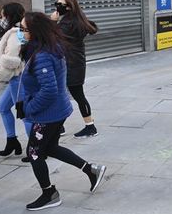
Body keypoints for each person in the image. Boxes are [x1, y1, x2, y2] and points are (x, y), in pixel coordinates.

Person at [17, 12, 106, 210]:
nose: (20, 32)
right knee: (49, 148)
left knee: (34, 153)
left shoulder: (42, 56)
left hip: (48, 114)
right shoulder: (48, 48)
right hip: (57, 110)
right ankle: (91, 170)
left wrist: (29, 108)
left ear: (35, 31)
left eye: (23, 29)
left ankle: (49, 194)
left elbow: (49, 90)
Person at [0, 2, 32, 160]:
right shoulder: (19, 30)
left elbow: (12, 61)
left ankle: (36, 150)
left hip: (17, 79)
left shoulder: (15, 33)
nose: (1, 17)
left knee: (24, 114)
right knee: (3, 107)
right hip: (17, 79)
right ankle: (12, 141)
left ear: (10, 16)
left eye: (3, 14)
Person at [51, 0, 98, 138]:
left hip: (71, 64)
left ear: (69, 7)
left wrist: (53, 22)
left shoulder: (67, 23)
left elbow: (53, 38)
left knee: (75, 95)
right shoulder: (76, 20)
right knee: (68, 94)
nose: (57, 7)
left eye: (61, 4)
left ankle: (90, 127)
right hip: (75, 62)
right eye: (56, 3)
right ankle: (60, 127)